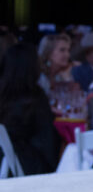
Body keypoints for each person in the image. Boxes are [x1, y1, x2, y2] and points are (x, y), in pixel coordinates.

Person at [0, 42, 60, 175]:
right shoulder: (35, 98)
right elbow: (48, 143)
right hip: (27, 167)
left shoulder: (4, 94)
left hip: (5, 164)